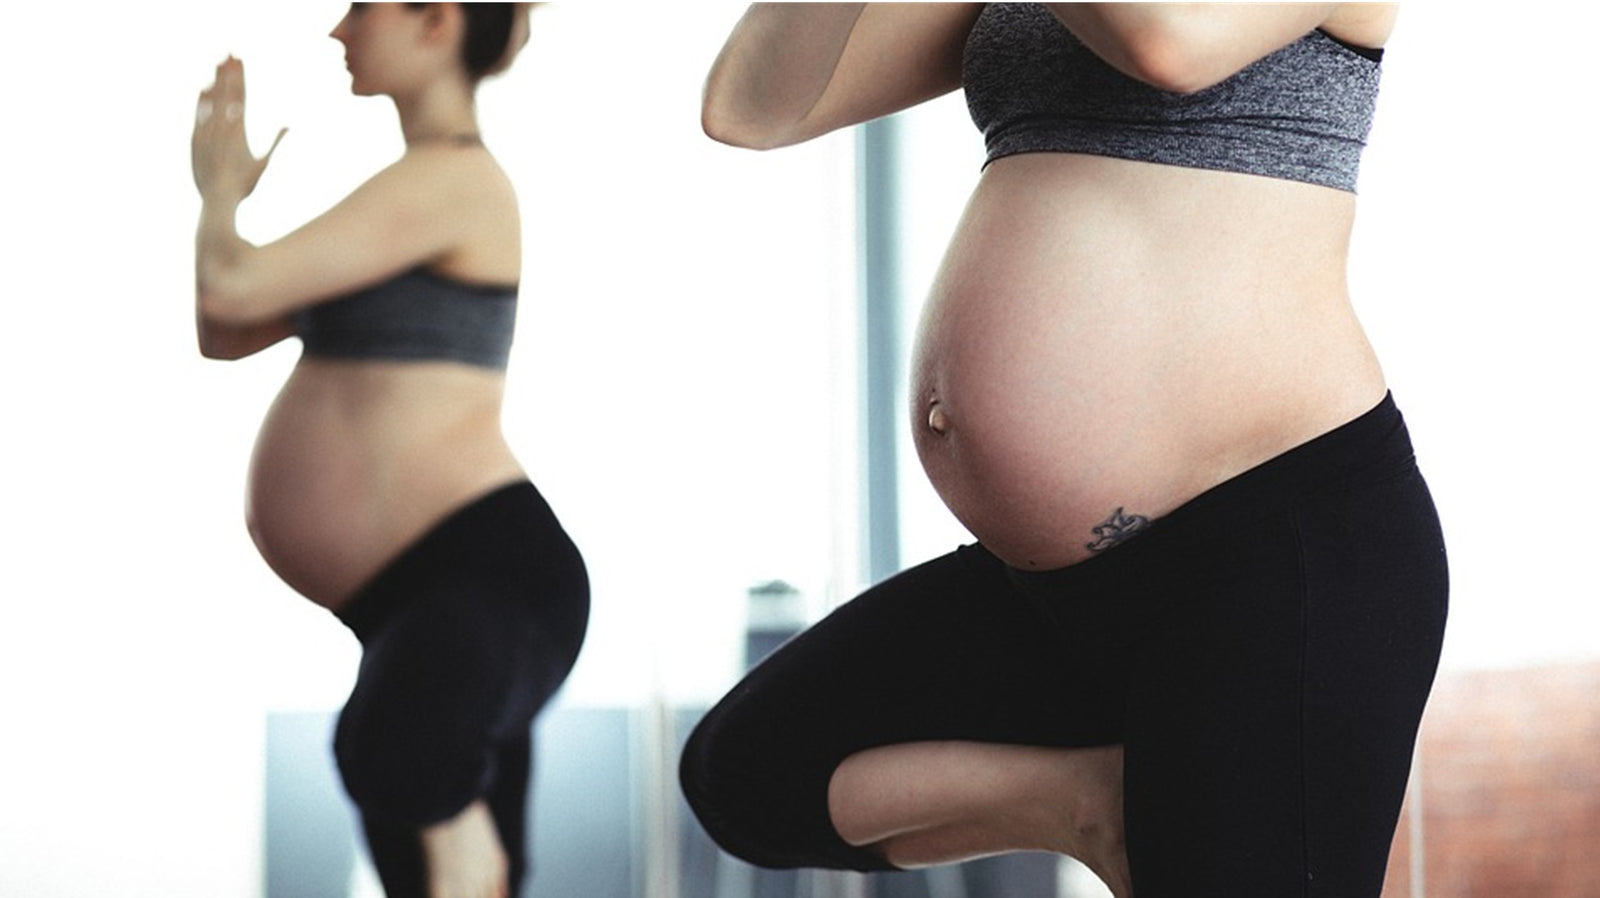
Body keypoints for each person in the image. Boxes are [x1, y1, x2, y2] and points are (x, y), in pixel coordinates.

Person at [680, 5, 1447, 897]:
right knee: (754, 774)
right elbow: (752, 106)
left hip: (1268, 555)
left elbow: (1172, 42)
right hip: (1062, 593)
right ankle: (1086, 805)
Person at [190, 5, 587, 897]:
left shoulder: (455, 181)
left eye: (363, 5)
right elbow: (224, 324)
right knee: (419, 844)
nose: (339, 30)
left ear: (435, 20)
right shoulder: (411, 193)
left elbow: (230, 277)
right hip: (416, 600)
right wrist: (226, 214)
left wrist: (219, 192)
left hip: (485, 577)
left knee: (396, 757)